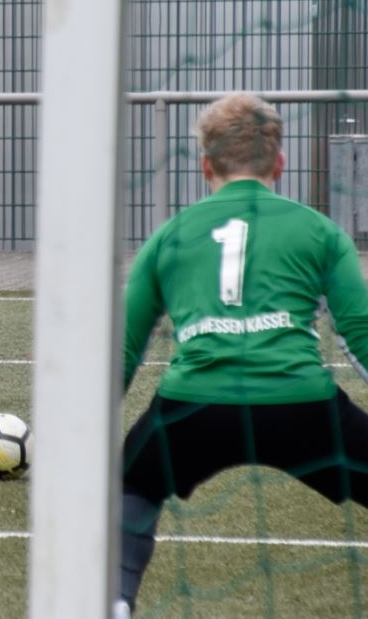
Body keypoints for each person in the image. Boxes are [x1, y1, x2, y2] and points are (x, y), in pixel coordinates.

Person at [117, 93, 368, 614]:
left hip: (192, 409)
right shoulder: (321, 231)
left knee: (130, 485)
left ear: (205, 165)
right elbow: (360, 334)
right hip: (301, 407)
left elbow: (122, 351)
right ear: (280, 163)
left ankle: (115, 601)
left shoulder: (168, 237)